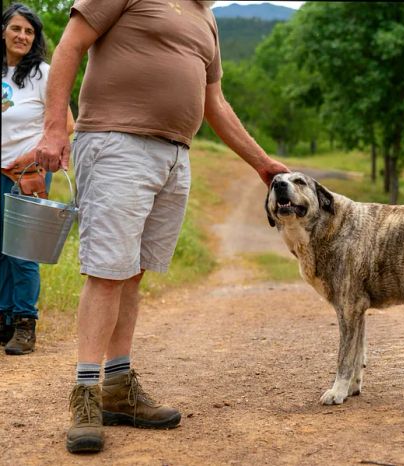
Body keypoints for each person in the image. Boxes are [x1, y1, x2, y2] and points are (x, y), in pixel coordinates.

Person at [34, 0, 289, 454]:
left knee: (132, 270)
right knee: (108, 270)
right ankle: (86, 394)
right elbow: (71, 45)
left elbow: (215, 103)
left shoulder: (206, 17)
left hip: (175, 155)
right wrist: (55, 127)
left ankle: (117, 387)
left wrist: (262, 163)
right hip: (115, 142)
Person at [1, 2, 75, 355]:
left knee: (22, 252)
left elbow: (67, 125)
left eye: (29, 31)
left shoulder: (43, 74)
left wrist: (34, 158)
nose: (23, 36)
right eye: (16, 28)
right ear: (3, 31)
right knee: (0, 251)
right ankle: (3, 321)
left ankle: (25, 323)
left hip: (27, 173)